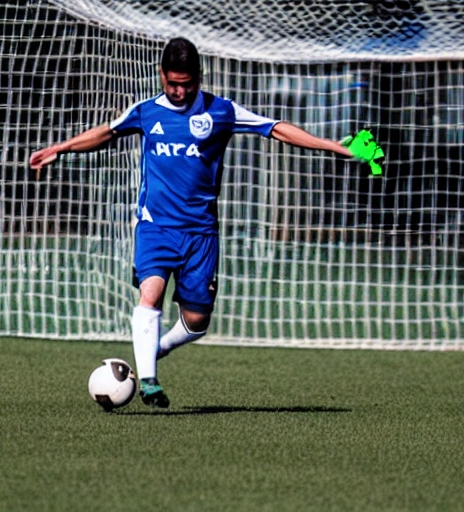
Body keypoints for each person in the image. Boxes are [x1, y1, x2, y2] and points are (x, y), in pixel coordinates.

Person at [30, 37, 369, 409]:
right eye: (172, 83)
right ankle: (148, 382)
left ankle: (152, 352)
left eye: (187, 83)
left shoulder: (220, 111)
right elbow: (107, 132)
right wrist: (58, 148)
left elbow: (277, 128)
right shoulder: (146, 112)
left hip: (201, 234)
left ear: (199, 78)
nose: (179, 91)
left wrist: (339, 147)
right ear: (161, 75)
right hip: (155, 227)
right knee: (151, 292)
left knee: (197, 321)